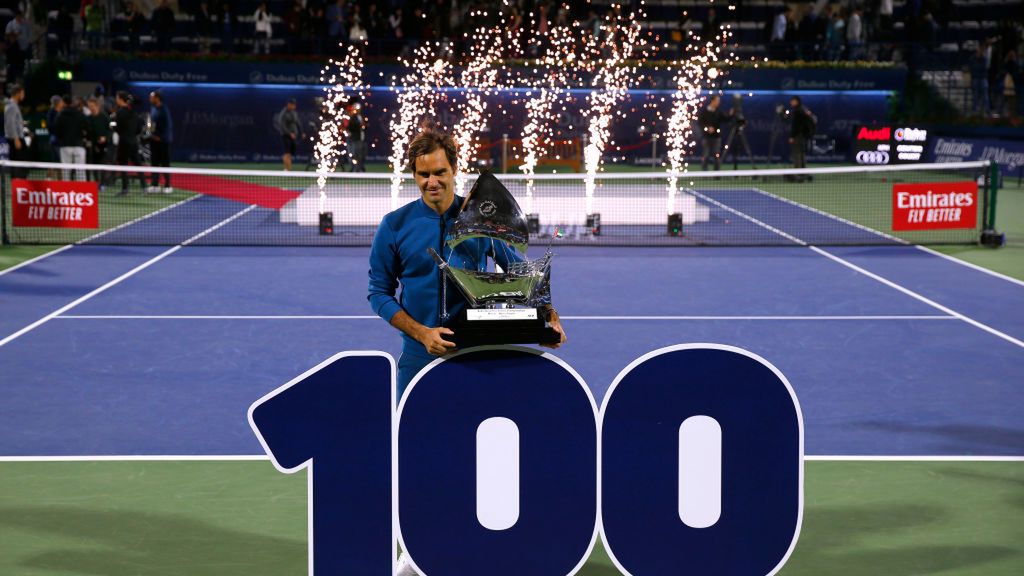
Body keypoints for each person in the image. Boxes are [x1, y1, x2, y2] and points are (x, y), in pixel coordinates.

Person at [367, 123, 566, 402]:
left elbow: (522, 274)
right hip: (418, 357)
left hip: (476, 355)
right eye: (423, 174)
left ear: (454, 170)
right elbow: (378, 293)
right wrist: (423, 334)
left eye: (440, 172)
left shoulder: (482, 221)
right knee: (412, 440)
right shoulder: (394, 225)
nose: (432, 182)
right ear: (413, 175)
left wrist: (547, 317)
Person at [113, 91, 148, 196]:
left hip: (124, 143)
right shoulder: (133, 112)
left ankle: (125, 189)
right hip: (133, 142)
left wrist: (115, 128)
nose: (116, 100)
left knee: (123, 166)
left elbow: (118, 129)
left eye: (117, 98)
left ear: (120, 99)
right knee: (138, 165)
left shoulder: (119, 113)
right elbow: (138, 128)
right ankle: (144, 187)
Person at [53, 95, 89, 181]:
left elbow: (56, 131)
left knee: (66, 171)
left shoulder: (60, 115)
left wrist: (61, 138)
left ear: (64, 103)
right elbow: (87, 127)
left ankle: (67, 192)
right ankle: (81, 192)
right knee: (80, 171)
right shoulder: (80, 114)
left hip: (65, 146)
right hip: (79, 145)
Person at [147, 90, 173, 193]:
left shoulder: (164, 110)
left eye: (152, 97)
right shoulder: (153, 109)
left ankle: (167, 186)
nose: (150, 99)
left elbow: (168, 126)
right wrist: (149, 133)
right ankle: (155, 185)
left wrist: (161, 137)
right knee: (154, 163)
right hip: (154, 141)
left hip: (163, 142)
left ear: (157, 98)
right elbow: (151, 123)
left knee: (165, 163)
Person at [697, 95, 732, 171]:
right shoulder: (704, 112)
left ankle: (716, 173)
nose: (718, 102)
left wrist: (731, 115)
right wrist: (707, 128)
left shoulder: (718, 112)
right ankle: (704, 173)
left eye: (719, 101)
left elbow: (725, 119)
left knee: (717, 155)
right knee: (706, 155)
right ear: (712, 101)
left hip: (716, 137)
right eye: (717, 101)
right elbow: (700, 123)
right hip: (706, 137)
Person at [86, 96, 112, 189]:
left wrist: (105, 138)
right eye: (89, 106)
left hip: (105, 146)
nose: (91, 108)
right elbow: (88, 132)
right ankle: (96, 183)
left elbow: (110, 130)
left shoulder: (104, 116)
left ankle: (103, 184)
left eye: (92, 106)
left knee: (104, 165)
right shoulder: (88, 118)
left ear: (97, 106)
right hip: (93, 146)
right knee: (94, 166)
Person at [788, 96, 816, 180]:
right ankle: (802, 172)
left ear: (796, 101)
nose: (791, 102)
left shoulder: (798, 111)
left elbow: (796, 126)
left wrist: (792, 136)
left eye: (792, 101)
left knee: (797, 153)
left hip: (798, 136)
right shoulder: (803, 109)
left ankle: (798, 173)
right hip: (803, 136)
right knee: (801, 153)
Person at [4, 84, 27, 178]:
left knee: (19, 165)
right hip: (15, 139)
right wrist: (16, 139)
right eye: (22, 93)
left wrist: (22, 124)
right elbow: (10, 124)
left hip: (17, 138)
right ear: (18, 94)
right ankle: (18, 186)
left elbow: (14, 122)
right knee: (17, 165)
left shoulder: (13, 105)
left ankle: (20, 185)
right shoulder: (12, 106)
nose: (23, 95)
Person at [276, 98, 301, 170]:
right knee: (287, 152)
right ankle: (287, 168)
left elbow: (297, 122)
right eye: (292, 104)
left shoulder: (294, 112)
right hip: (286, 135)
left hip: (293, 135)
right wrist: (289, 133)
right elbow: (281, 124)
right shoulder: (284, 112)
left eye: (294, 105)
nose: (294, 106)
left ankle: (288, 168)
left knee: (290, 152)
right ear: (289, 104)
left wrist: (301, 132)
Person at [344, 100, 367, 171]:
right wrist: (360, 126)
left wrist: (364, 126)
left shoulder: (361, 117)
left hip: (361, 139)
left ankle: (359, 168)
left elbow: (365, 126)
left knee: (361, 155)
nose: (357, 110)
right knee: (353, 155)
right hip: (354, 139)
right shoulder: (351, 117)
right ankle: (355, 168)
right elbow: (349, 127)